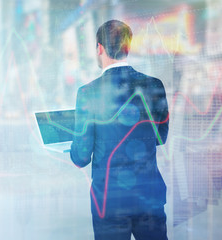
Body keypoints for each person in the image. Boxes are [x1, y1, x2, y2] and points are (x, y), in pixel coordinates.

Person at [70, 20, 169, 240]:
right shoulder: (155, 85)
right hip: (149, 195)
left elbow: (81, 157)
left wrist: (75, 148)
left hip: (110, 200)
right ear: (127, 47)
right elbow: (160, 137)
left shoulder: (88, 93)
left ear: (99, 48)